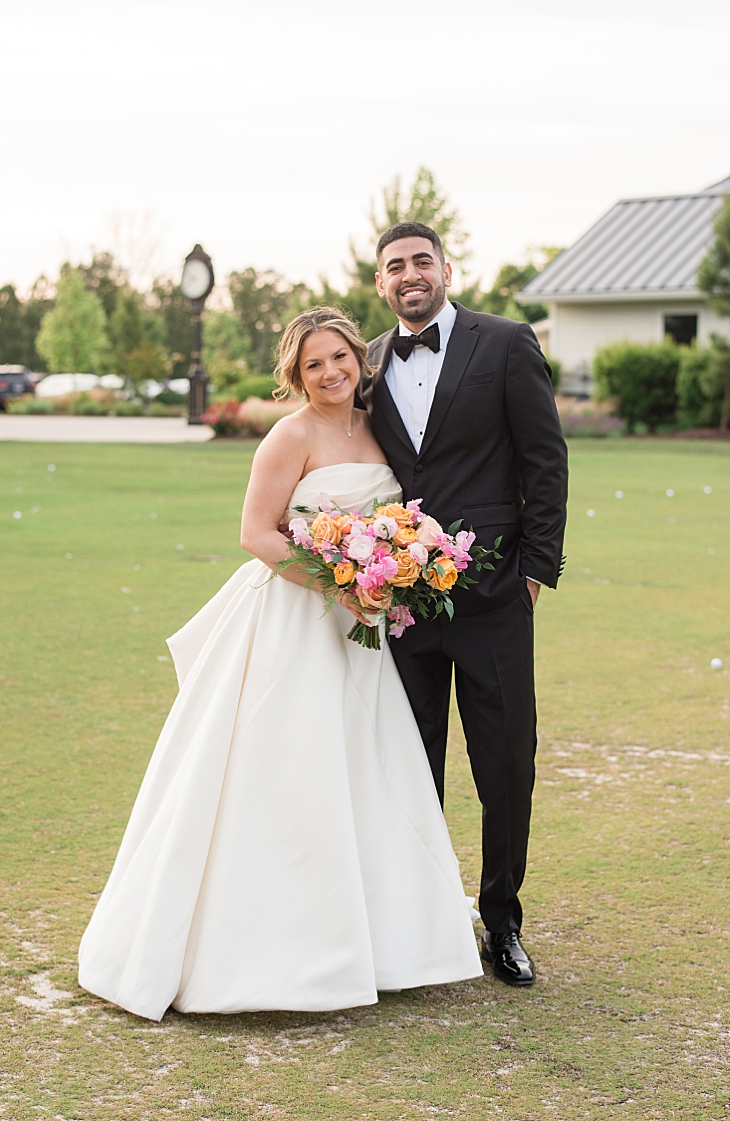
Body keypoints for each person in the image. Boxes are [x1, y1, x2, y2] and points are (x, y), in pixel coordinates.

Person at [78, 307, 482, 1021]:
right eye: (313, 365)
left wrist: (387, 573)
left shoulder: (373, 427)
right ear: (296, 373)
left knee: (366, 766)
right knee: (289, 768)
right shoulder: (289, 434)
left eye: (339, 359)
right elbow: (255, 533)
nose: (329, 373)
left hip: (361, 625)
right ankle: (277, 946)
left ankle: (386, 942)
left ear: (360, 358)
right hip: (295, 618)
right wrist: (340, 584)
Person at [358, 221, 568, 987]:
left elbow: (544, 459)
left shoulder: (505, 343)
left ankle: (502, 919)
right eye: (395, 266)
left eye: (421, 260)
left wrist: (535, 571)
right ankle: (420, 920)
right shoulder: (368, 365)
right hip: (403, 610)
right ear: (380, 283)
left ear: (445, 268)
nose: (410, 274)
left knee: (507, 764)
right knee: (411, 765)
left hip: (494, 600)